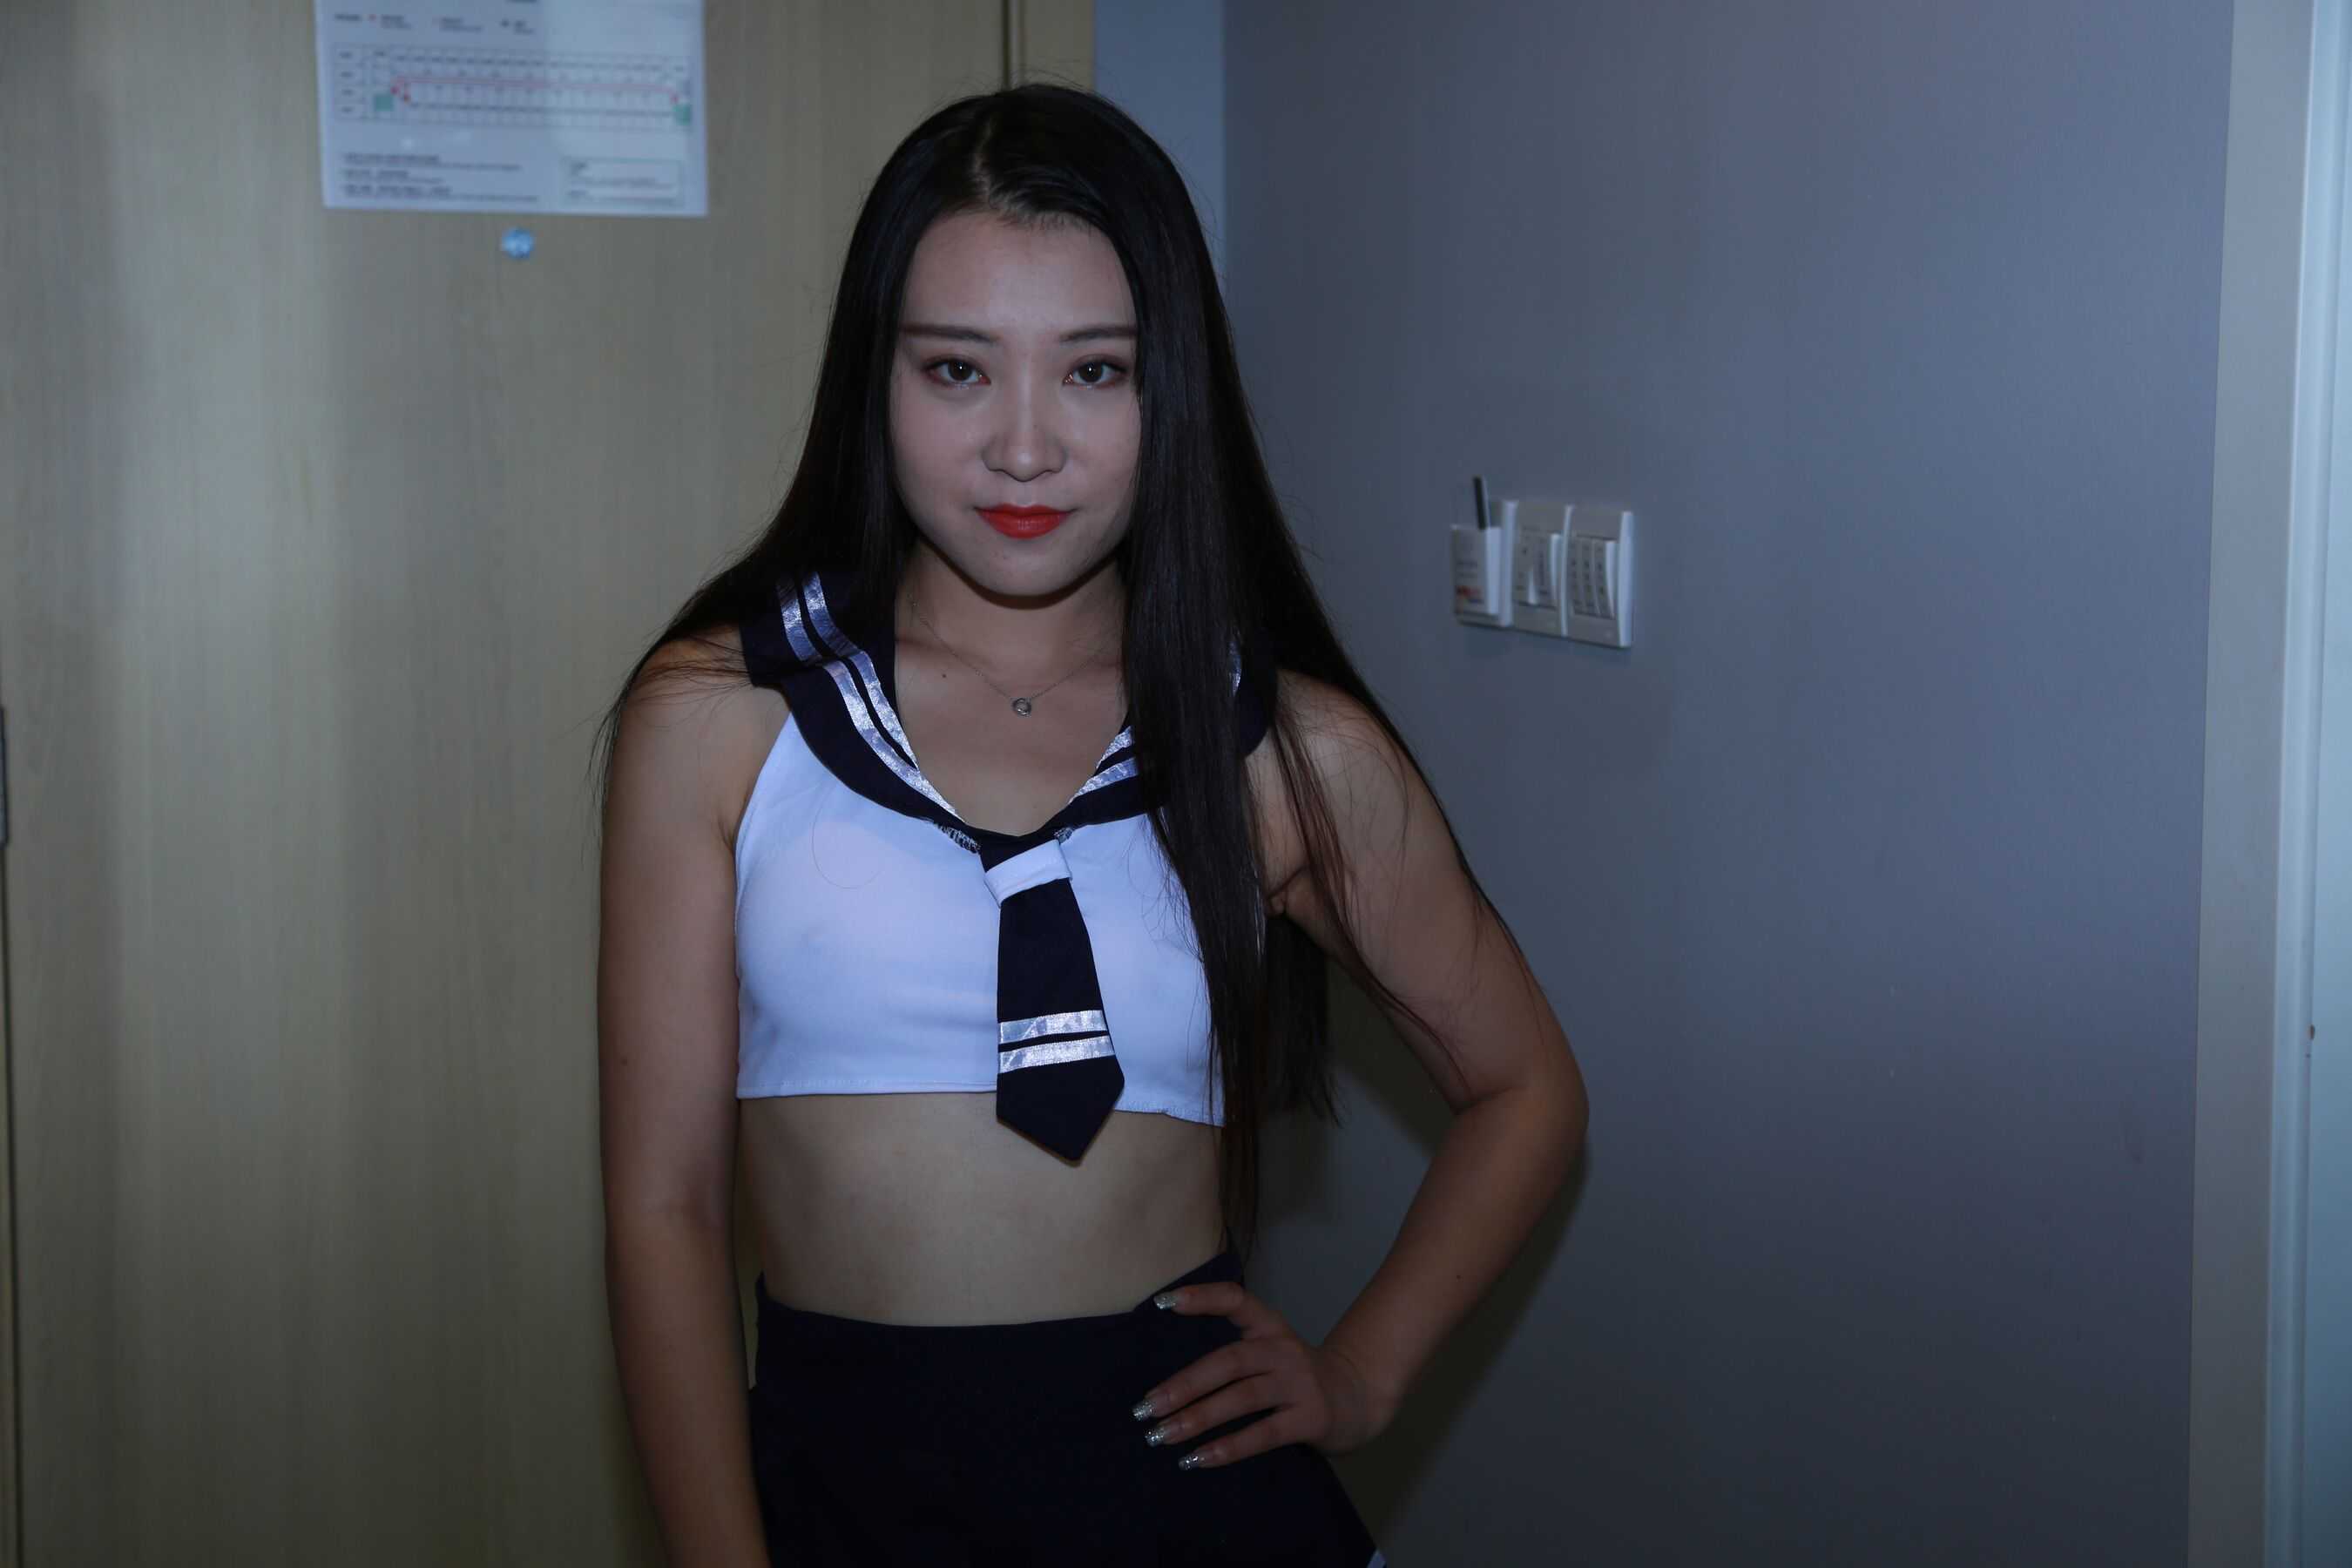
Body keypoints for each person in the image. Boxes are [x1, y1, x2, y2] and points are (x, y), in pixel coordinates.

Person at [592, 83, 1588, 1566]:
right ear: (875, 379)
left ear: (1171, 388)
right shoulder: (720, 718)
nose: (1023, 448)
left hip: (1190, 1504)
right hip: (841, 1489)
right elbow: (665, 1208)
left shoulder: (1289, 750)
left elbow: (1525, 1089)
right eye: (956, 370)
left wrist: (1363, 1374)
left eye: (1096, 372)